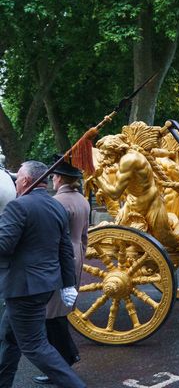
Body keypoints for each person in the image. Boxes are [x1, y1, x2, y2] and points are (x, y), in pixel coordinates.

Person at [0, 160, 86, 388]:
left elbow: (4, 246)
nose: (16, 182)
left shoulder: (18, 207)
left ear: (27, 181)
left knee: (35, 346)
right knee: (9, 338)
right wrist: (69, 284)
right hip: (44, 286)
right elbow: (65, 249)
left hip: (23, 289)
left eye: (18, 178)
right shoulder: (55, 205)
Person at [32, 158, 90, 385]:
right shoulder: (83, 200)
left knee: (51, 315)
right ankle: (67, 357)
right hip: (76, 255)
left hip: (58, 259)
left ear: (59, 178)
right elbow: (84, 237)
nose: (52, 180)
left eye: (54, 176)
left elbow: (50, 239)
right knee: (57, 313)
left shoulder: (56, 202)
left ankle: (61, 363)